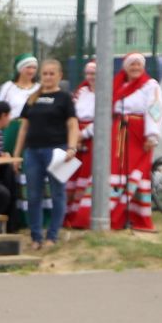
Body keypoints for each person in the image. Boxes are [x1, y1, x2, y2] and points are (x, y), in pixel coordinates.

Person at [17, 59, 80, 250]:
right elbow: (23, 128)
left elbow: (72, 124)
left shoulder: (64, 98)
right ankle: (36, 237)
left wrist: (71, 147)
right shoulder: (32, 98)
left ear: (60, 76)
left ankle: (52, 236)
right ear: (40, 76)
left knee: (57, 194)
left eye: (52, 74)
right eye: (45, 73)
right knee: (34, 195)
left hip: (56, 151)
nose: (48, 77)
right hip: (33, 152)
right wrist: (17, 154)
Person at [110, 52, 162, 232]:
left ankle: (136, 216)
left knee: (137, 174)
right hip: (119, 132)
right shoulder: (118, 85)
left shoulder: (150, 85)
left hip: (138, 134)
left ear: (143, 67)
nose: (135, 68)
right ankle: (115, 214)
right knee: (117, 172)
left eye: (138, 65)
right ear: (125, 67)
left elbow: (155, 109)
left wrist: (152, 135)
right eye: (131, 65)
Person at [64, 60, 99, 230]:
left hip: (93, 137)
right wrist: (74, 133)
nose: (91, 77)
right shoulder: (81, 92)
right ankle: (69, 214)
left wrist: (84, 134)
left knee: (88, 173)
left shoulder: (106, 93)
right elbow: (72, 114)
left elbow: (104, 116)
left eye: (94, 74)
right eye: (89, 74)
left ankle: (84, 215)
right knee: (72, 173)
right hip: (76, 135)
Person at [0, 54, 39, 129]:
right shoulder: (8, 87)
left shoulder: (39, 88)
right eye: (28, 67)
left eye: (34, 68)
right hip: (11, 128)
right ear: (20, 69)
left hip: (34, 128)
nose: (31, 71)